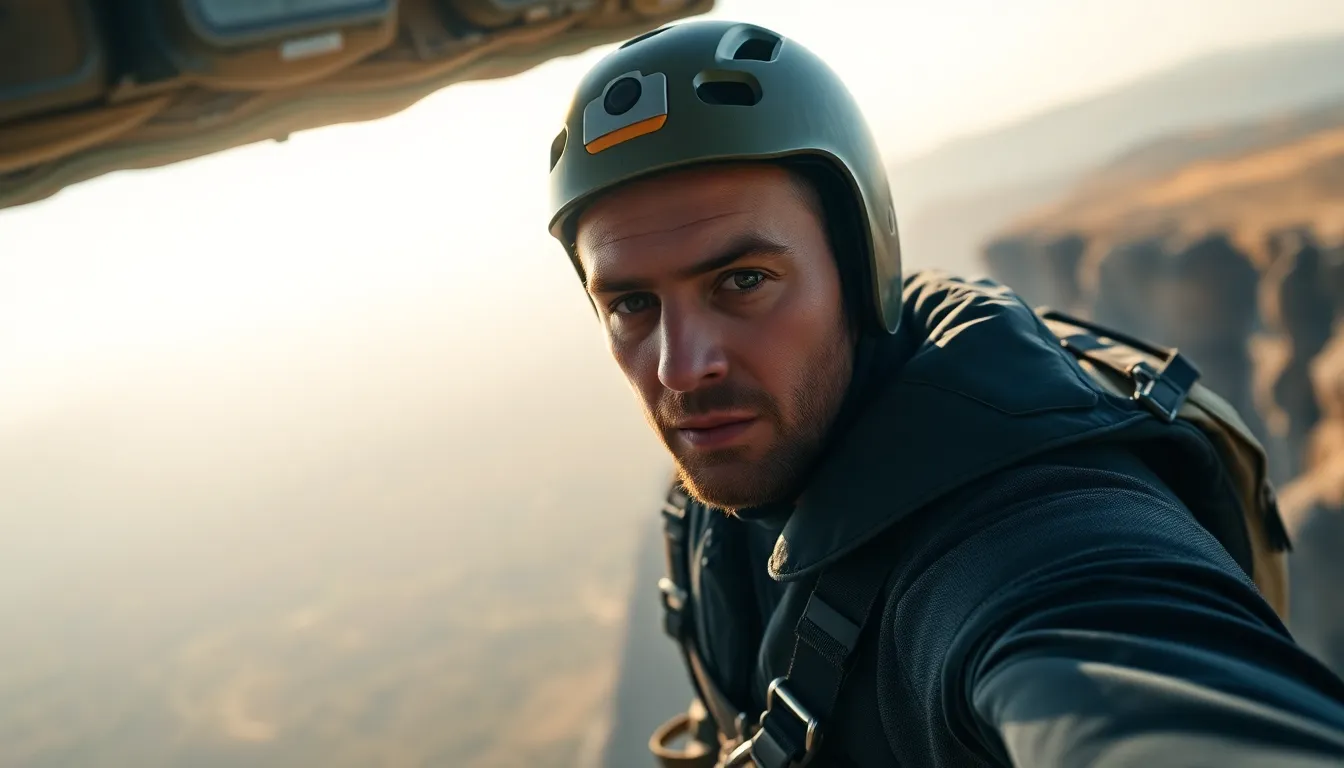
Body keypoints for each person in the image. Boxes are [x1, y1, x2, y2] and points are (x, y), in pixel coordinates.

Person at [544, 19, 1344, 768]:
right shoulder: (723, 494)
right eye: (630, 305)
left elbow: (1114, 645)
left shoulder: (1034, 544)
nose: (681, 369)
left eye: (743, 280)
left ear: (862, 277)